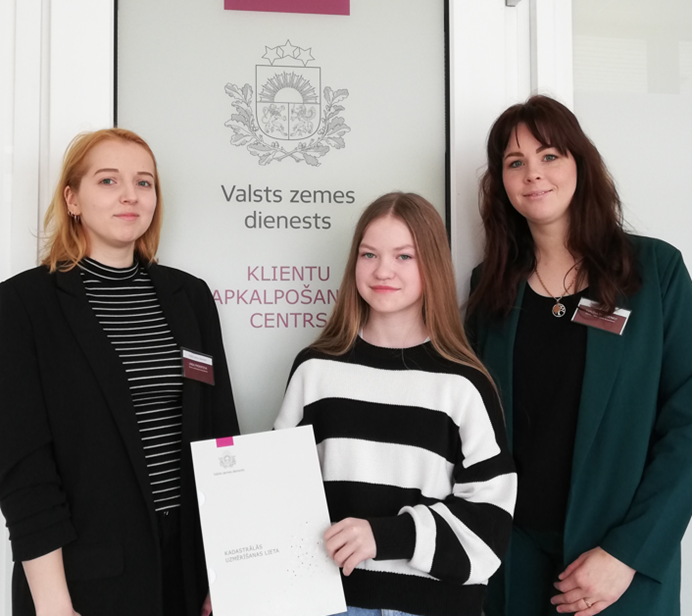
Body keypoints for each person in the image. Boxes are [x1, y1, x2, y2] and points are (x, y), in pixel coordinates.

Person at [466, 94, 692, 616]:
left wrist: (628, 552)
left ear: (580, 163)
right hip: (512, 562)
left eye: (549, 155)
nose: (533, 174)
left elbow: (687, 424)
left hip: (616, 569)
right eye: (515, 162)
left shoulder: (654, 272)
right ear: (501, 183)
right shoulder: (491, 289)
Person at [0, 128, 240, 616]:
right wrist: (53, 604)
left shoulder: (190, 297)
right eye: (108, 180)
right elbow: (24, 469)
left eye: (144, 182)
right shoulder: (23, 305)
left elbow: (221, 438)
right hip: (83, 582)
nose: (130, 195)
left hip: (189, 572)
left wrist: (229, 568)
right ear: (72, 198)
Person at [274, 192, 517, 616]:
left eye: (404, 256)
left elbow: (490, 520)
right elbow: (279, 493)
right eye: (369, 254)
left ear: (432, 265)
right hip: (329, 603)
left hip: (434, 607)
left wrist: (385, 537)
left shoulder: (463, 384)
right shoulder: (314, 372)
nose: (382, 270)